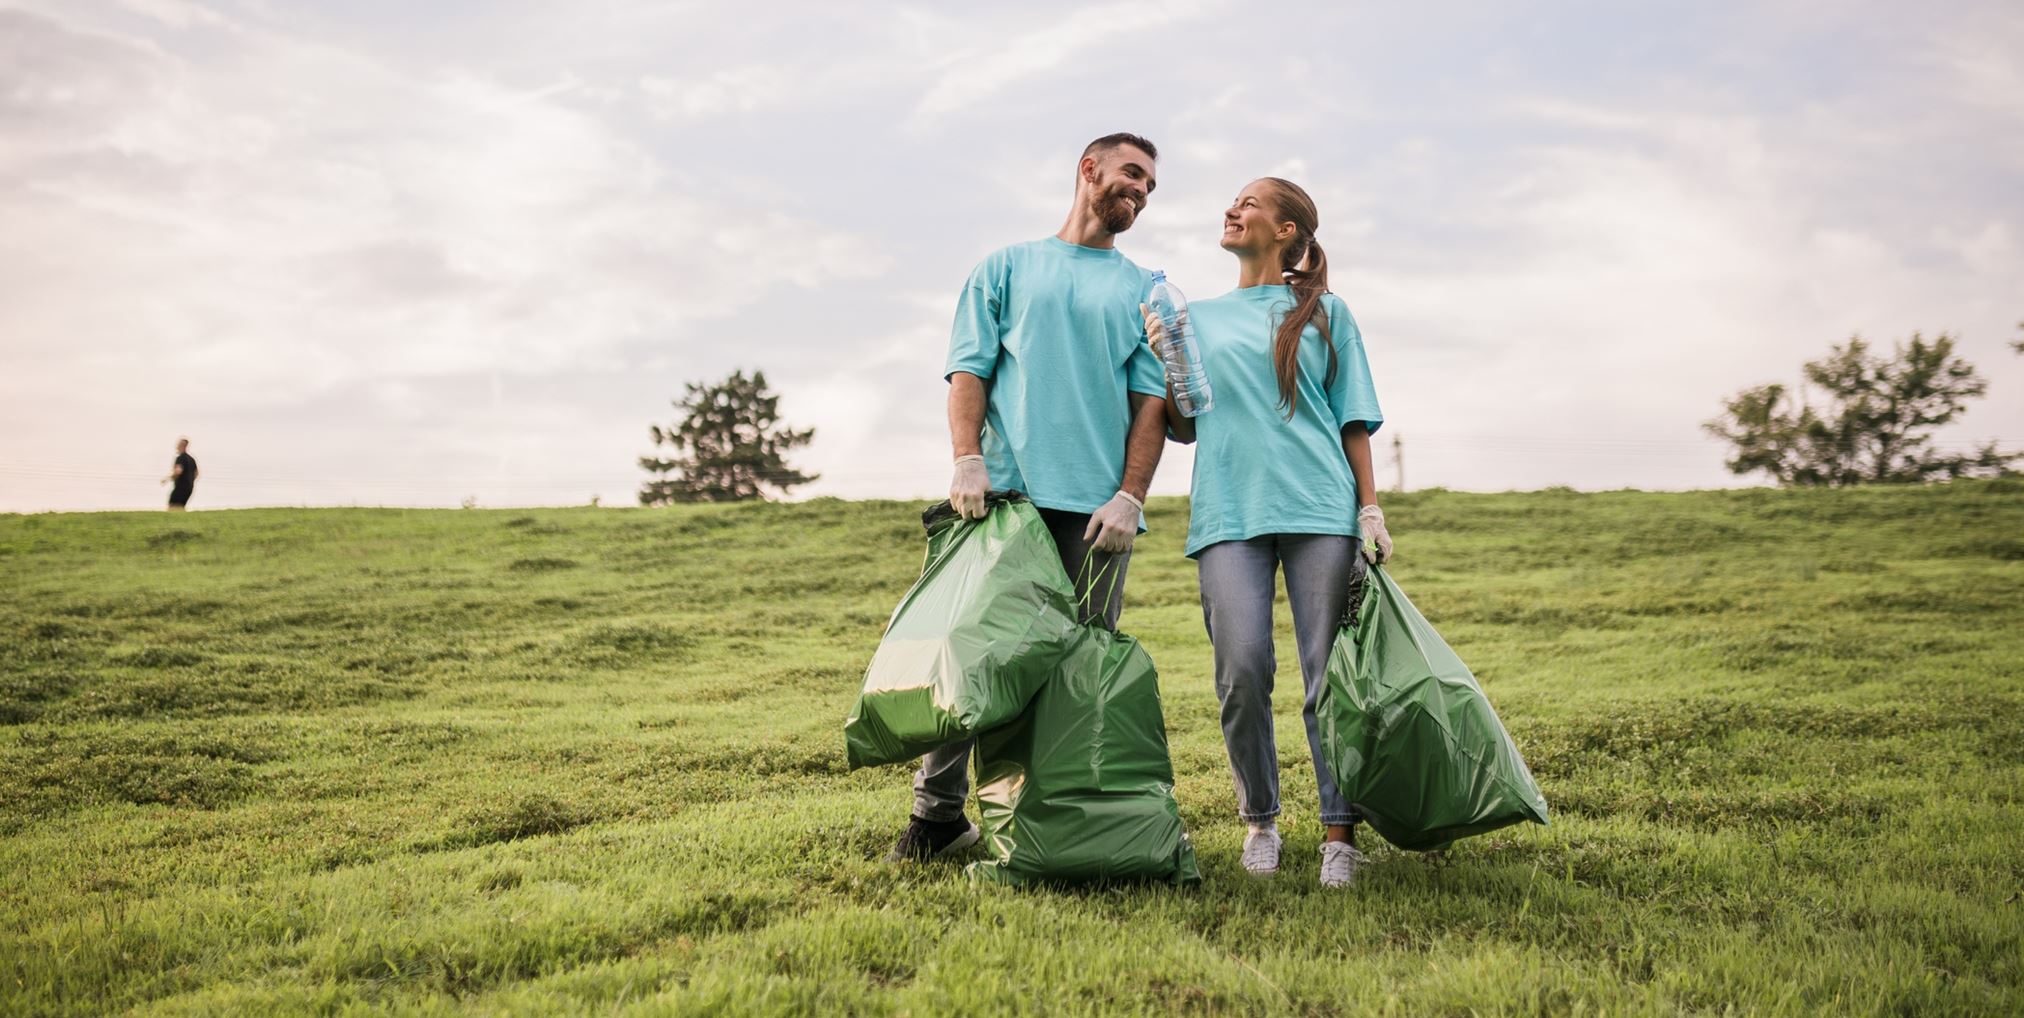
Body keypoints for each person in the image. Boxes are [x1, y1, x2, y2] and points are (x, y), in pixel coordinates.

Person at [886, 133, 1171, 863]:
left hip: (1098, 517)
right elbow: (969, 373)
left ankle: (1051, 829)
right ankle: (936, 820)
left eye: (1150, 186)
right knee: (972, 655)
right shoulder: (1006, 268)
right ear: (1089, 170)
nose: (1140, 191)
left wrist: (1131, 497)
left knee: (1075, 671)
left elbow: (1150, 404)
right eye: (1132, 174)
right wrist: (967, 460)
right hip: (1007, 503)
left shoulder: (1145, 288)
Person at [1143, 177, 1391, 887]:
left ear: (1286, 231)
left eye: (1249, 202)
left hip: (1320, 508)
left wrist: (1369, 508)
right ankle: (1260, 819)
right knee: (1243, 670)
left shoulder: (1326, 312)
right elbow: (1186, 424)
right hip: (1229, 512)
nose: (1233, 209)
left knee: (1328, 679)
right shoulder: (1194, 316)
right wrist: (1168, 359)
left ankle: (1340, 833)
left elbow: (1352, 417)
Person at [162, 437, 198, 511]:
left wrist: (166, 479)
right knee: (181, 507)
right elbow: (197, 473)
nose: (176, 446)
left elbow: (178, 471)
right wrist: (190, 481)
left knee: (172, 506)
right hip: (189, 488)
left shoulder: (180, 458)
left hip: (180, 488)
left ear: (182, 446)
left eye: (178, 444)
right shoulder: (191, 459)